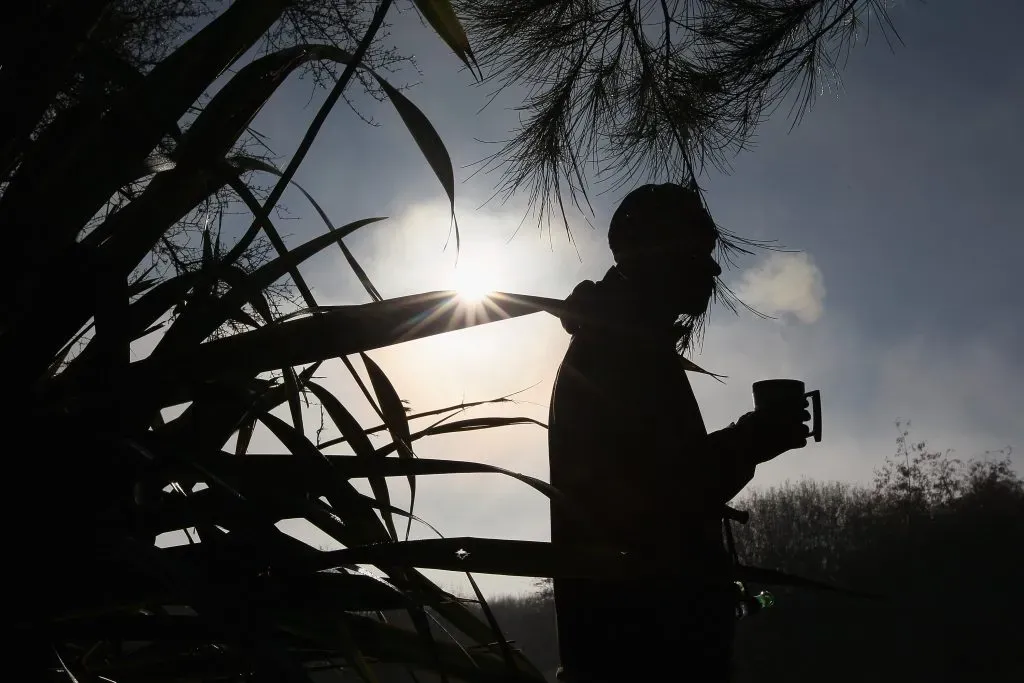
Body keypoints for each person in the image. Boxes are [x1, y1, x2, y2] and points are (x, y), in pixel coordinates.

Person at [548, 183, 811, 683]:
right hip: (645, 655)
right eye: (696, 252)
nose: (712, 270)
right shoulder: (617, 351)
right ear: (653, 254)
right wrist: (756, 437)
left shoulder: (621, 343)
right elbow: (667, 491)